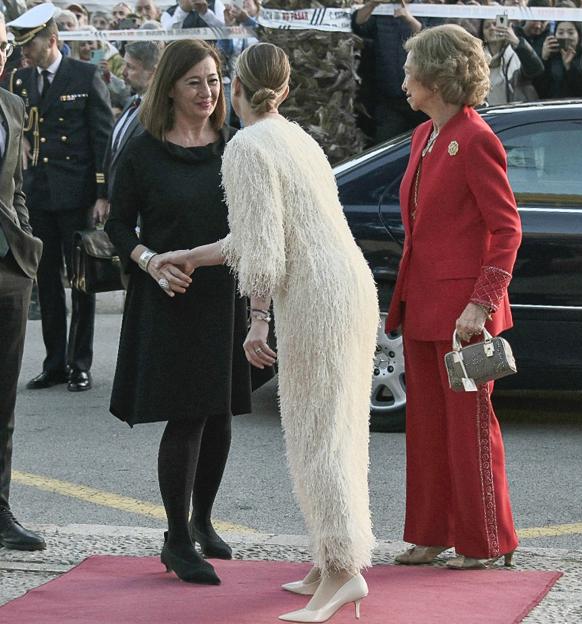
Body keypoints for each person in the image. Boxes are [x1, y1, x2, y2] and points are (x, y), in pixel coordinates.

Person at [153, 42, 378, 622]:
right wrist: (195, 255)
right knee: (342, 429)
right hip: (350, 284)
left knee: (316, 436)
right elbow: (258, 238)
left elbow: (259, 255)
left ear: (234, 86)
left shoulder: (246, 147)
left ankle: (343, 573)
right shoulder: (297, 136)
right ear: (285, 87)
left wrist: (257, 321)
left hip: (315, 297)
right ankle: (330, 559)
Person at [105, 40, 252, 585]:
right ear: (169, 87)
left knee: (219, 411)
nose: (207, 92)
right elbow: (118, 226)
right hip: (168, 296)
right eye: (195, 82)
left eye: (214, 81)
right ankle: (174, 537)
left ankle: (203, 521)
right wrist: (149, 262)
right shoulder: (142, 151)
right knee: (187, 414)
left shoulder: (233, 147)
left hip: (222, 294)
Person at [386, 25, 522, 570]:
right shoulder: (425, 136)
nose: (403, 82)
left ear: (436, 77)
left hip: (465, 318)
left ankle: (485, 541)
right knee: (424, 430)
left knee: (469, 431)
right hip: (422, 306)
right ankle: (430, 534)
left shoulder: (476, 136)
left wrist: (482, 303)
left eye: (409, 70)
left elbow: (507, 229)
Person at [5, 3, 113, 392]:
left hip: (77, 194)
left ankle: (79, 362)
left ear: (52, 40)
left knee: (81, 281)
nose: (24, 53)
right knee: (46, 280)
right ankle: (54, 362)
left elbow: (102, 138)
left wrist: (103, 193)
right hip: (39, 194)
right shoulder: (20, 81)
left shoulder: (84, 75)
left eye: (30, 45)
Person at [0, 12, 46, 553]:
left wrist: (27, 246)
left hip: (10, 269)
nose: (4, 52)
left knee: (2, 402)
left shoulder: (12, 106)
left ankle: (1, 511)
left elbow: (15, 187)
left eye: (6, 44)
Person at [352, 0, 427, 144]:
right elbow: (358, 24)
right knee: (384, 148)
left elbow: (433, 40)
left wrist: (409, 19)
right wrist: (373, 3)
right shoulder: (382, 12)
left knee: (425, 146)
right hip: (389, 102)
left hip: (423, 100)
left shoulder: (428, 9)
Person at [101, 40, 160, 215]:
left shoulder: (158, 111)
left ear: (153, 73)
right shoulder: (133, 101)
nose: (124, 73)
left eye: (131, 67)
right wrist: (104, 196)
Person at [480, 14, 544, 104]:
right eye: (487, 26)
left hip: (514, 112)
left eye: (495, 24)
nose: (492, 28)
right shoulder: (478, 57)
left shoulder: (517, 52)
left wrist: (515, 41)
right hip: (489, 112)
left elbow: (536, 69)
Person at [536, 21, 582, 99]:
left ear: (579, 35)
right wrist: (544, 59)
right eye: (561, 33)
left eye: (571, 33)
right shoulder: (551, 56)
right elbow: (539, 88)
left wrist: (569, 67)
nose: (565, 36)